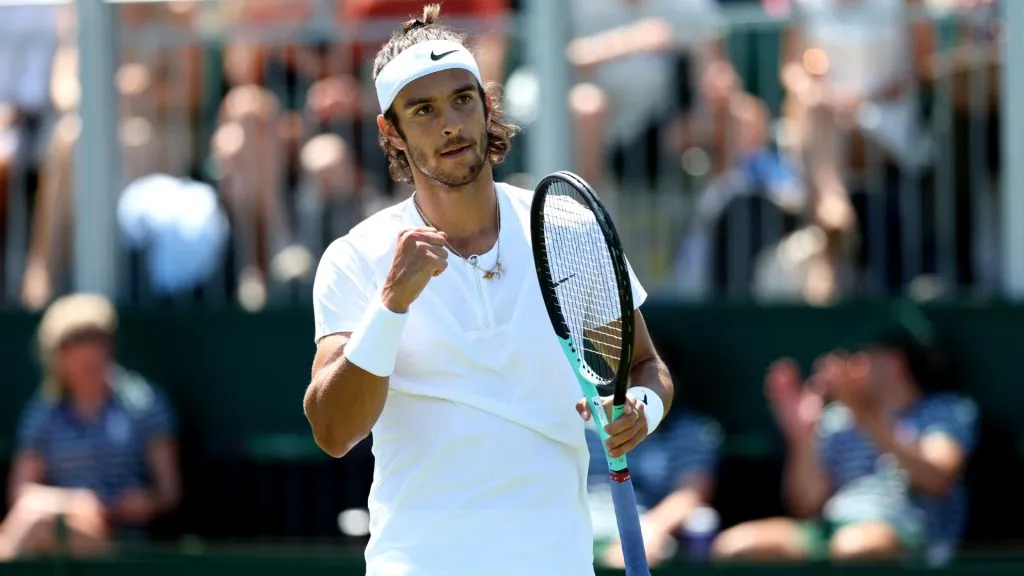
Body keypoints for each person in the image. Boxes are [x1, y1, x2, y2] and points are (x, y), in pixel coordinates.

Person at [303, 5, 675, 575]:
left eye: (461, 99)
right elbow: (332, 430)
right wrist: (391, 305)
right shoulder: (356, 258)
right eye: (422, 110)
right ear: (391, 131)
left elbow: (645, 369)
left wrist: (638, 410)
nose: (450, 123)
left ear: (486, 103)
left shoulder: (566, 231)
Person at [712, 306, 977, 565]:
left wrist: (864, 415)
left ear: (894, 361)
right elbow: (805, 504)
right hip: (833, 529)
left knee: (855, 548)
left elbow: (937, 477)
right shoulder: (837, 419)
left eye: (861, 356)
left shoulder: (946, 411)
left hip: (907, 535)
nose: (852, 366)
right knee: (734, 547)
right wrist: (803, 436)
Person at [0, 294, 181, 560]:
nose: (87, 352)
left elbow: (169, 492)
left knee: (34, 521)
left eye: (94, 339)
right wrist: (78, 502)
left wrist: (142, 502)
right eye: (73, 342)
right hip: (59, 524)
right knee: (33, 517)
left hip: (121, 538)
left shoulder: (144, 403)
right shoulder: (42, 412)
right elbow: (22, 492)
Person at [586, 410, 721, 568]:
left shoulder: (691, 431)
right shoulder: (581, 425)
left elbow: (690, 494)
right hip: (576, 530)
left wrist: (641, 536)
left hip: (646, 532)